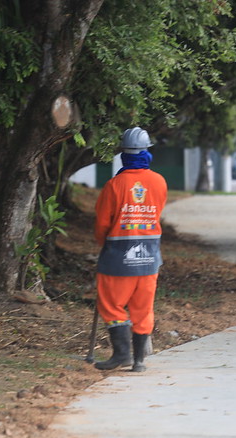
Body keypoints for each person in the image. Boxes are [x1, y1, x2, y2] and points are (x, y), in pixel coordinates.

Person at [93, 127, 168, 372]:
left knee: (112, 306)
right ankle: (138, 361)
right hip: (149, 258)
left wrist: (102, 241)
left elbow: (103, 223)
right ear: (147, 153)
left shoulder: (114, 185)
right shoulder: (159, 182)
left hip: (117, 259)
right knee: (143, 308)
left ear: (123, 154)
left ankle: (122, 354)